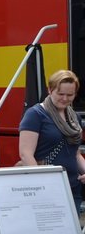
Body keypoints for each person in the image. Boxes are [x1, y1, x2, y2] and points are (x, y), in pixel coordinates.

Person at [19, 69, 85, 210]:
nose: (65, 99)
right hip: (46, 188)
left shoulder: (74, 117)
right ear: (50, 90)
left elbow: (75, 153)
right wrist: (42, 183)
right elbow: (26, 154)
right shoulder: (35, 114)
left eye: (70, 95)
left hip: (72, 186)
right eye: (60, 94)